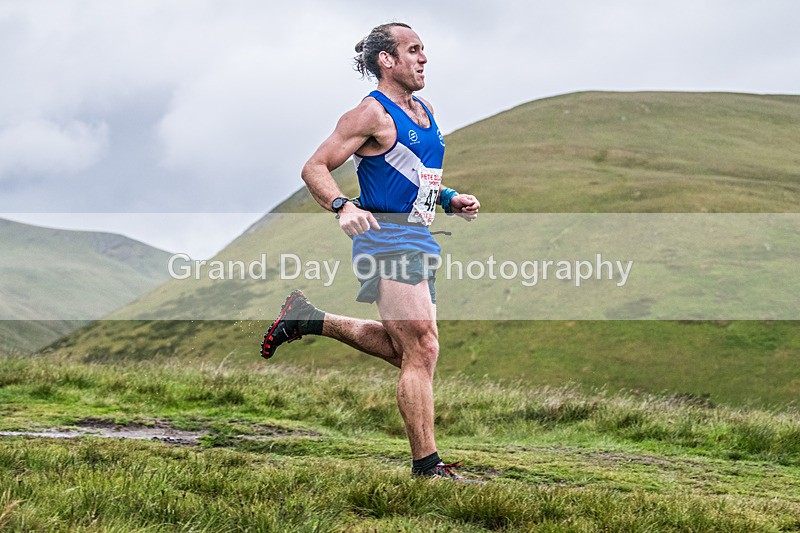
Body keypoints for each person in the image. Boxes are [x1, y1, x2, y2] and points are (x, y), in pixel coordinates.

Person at [260, 22, 480, 481]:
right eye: (414, 51)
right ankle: (427, 466)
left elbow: (418, 173)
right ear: (387, 59)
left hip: (419, 235)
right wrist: (341, 205)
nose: (423, 59)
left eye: (424, 51)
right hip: (386, 237)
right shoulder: (369, 114)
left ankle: (307, 318)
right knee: (423, 346)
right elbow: (314, 166)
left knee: (410, 351)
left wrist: (448, 198)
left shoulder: (424, 110)